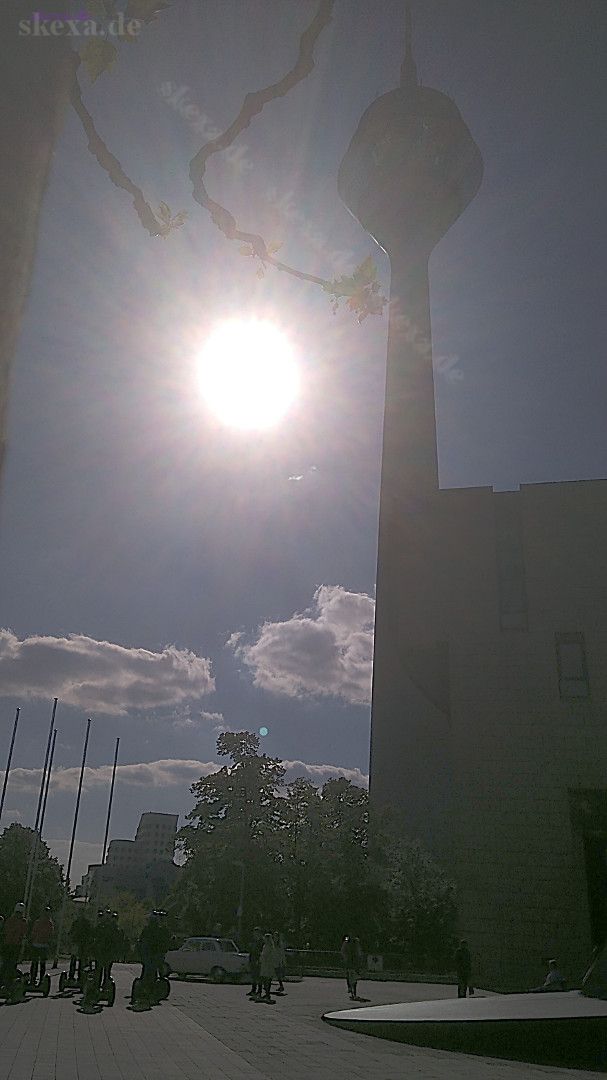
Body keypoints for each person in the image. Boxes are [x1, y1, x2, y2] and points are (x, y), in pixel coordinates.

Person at [138, 910, 171, 992]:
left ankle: (146, 986)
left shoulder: (155, 930)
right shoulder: (160, 930)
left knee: (149, 970)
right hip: (154, 954)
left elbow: (142, 942)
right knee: (151, 969)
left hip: (153, 954)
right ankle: (148, 986)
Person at [1, 903, 27, 988]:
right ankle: (8, 983)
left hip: (8, 945)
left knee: (6, 964)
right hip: (14, 946)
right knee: (11, 964)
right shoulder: (22, 922)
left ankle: (4, 981)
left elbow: (5, 932)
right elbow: (23, 935)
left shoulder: (10, 920)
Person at [29, 906, 54, 986]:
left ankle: (36, 979)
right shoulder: (47, 923)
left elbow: (34, 932)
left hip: (40, 945)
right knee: (38, 963)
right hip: (40, 945)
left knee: (37, 963)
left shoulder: (40, 922)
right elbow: (51, 934)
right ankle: (36, 979)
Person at [69, 911, 92, 981]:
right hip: (76, 943)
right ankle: (71, 976)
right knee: (74, 960)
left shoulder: (86, 923)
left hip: (83, 943)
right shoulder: (76, 923)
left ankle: (80, 976)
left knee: (81, 961)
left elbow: (89, 933)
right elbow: (71, 932)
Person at [341, 934, 364, 1000]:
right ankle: (351, 989)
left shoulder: (356, 941)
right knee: (350, 975)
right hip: (350, 961)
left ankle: (353, 991)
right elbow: (343, 950)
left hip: (353, 962)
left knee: (353, 977)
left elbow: (359, 951)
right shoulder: (347, 941)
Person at [259, 932, 277, 1003]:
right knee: (264, 979)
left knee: (267, 980)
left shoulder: (270, 947)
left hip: (268, 965)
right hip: (264, 965)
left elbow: (266, 955)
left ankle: (267, 994)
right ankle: (266, 993)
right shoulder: (265, 946)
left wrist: (262, 956)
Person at [246, 926, 263, 1000]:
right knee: (253, 976)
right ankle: (253, 990)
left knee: (258, 976)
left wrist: (259, 959)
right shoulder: (254, 941)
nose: (254, 934)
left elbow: (261, 952)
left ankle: (259, 991)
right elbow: (251, 951)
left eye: (256, 933)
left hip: (258, 960)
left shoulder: (261, 941)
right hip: (253, 959)